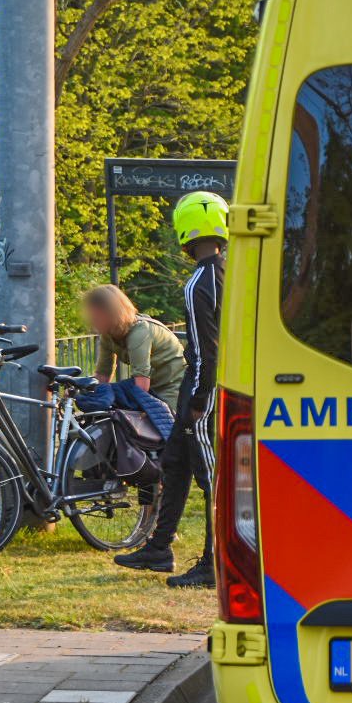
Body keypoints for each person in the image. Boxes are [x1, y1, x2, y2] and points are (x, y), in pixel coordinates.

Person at [112, 190, 227, 588]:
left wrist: (197, 402)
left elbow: (204, 349)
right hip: (202, 391)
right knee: (175, 464)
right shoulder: (233, 272)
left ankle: (215, 563)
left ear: (185, 229)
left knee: (213, 480)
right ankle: (159, 549)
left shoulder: (199, 282)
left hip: (202, 393)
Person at [80, 284, 185, 439]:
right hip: (152, 386)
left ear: (111, 314)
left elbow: (142, 386)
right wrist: (81, 388)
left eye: (96, 317)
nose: (92, 322)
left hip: (173, 387)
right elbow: (102, 376)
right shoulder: (108, 336)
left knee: (161, 436)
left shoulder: (139, 333)